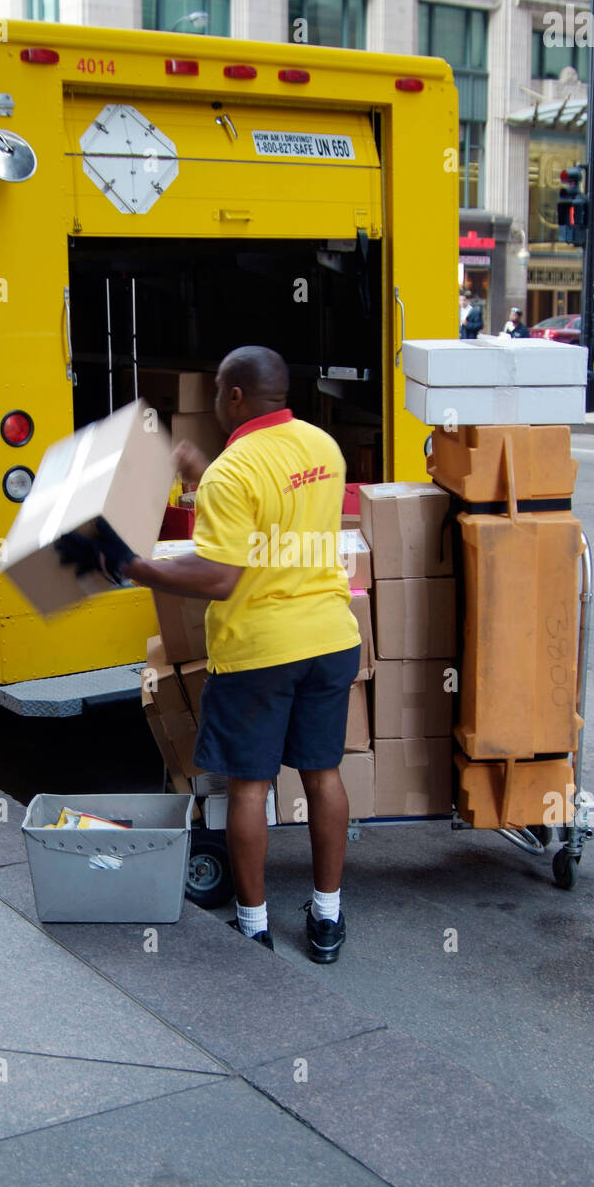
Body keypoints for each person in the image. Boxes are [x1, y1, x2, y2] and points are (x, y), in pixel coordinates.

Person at [56, 347, 361, 964]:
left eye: (221, 390)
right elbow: (272, 519)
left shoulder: (233, 470)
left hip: (260, 651)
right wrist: (203, 475)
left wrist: (134, 565)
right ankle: (327, 918)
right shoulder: (323, 447)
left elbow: (221, 575)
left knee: (250, 789)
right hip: (331, 639)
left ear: (237, 397)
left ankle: (254, 928)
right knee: (323, 776)